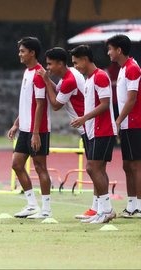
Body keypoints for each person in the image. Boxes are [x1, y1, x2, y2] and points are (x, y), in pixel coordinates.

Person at [37, 47, 98, 220]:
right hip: (87, 126)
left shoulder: (70, 79)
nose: (48, 68)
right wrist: (50, 82)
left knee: (95, 169)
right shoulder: (69, 75)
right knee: (95, 168)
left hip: (88, 127)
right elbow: (61, 91)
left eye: (49, 64)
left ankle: (99, 207)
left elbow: (56, 104)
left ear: (59, 63)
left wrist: (47, 81)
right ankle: (97, 207)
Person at [70, 45, 117, 224]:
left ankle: (107, 209)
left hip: (103, 130)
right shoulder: (89, 79)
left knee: (92, 168)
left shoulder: (101, 76)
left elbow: (105, 104)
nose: (75, 66)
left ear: (84, 59)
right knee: (98, 169)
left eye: (76, 62)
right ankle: (101, 210)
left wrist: (83, 118)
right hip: (93, 131)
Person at [7, 37, 52, 219]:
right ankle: (32, 205)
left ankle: (46, 209)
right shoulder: (27, 72)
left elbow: (40, 105)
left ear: (32, 53)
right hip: (25, 129)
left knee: (40, 167)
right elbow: (28, 103)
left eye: (22, 51)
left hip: (37, 130)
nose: (20, 54)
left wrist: (35, 133)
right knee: (17, 165)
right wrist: (17, 124)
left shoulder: (39, 74)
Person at [106, 34, 141, 218]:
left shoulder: (133, 69)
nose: (108, 52)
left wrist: (118, 121)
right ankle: (132, 205)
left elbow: (132, 99)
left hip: (135, 123)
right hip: (128, 123)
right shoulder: (123, 68)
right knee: (128, 165)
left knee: (136, 166)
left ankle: (139, 207)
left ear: (119, 50)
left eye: (110, 49)